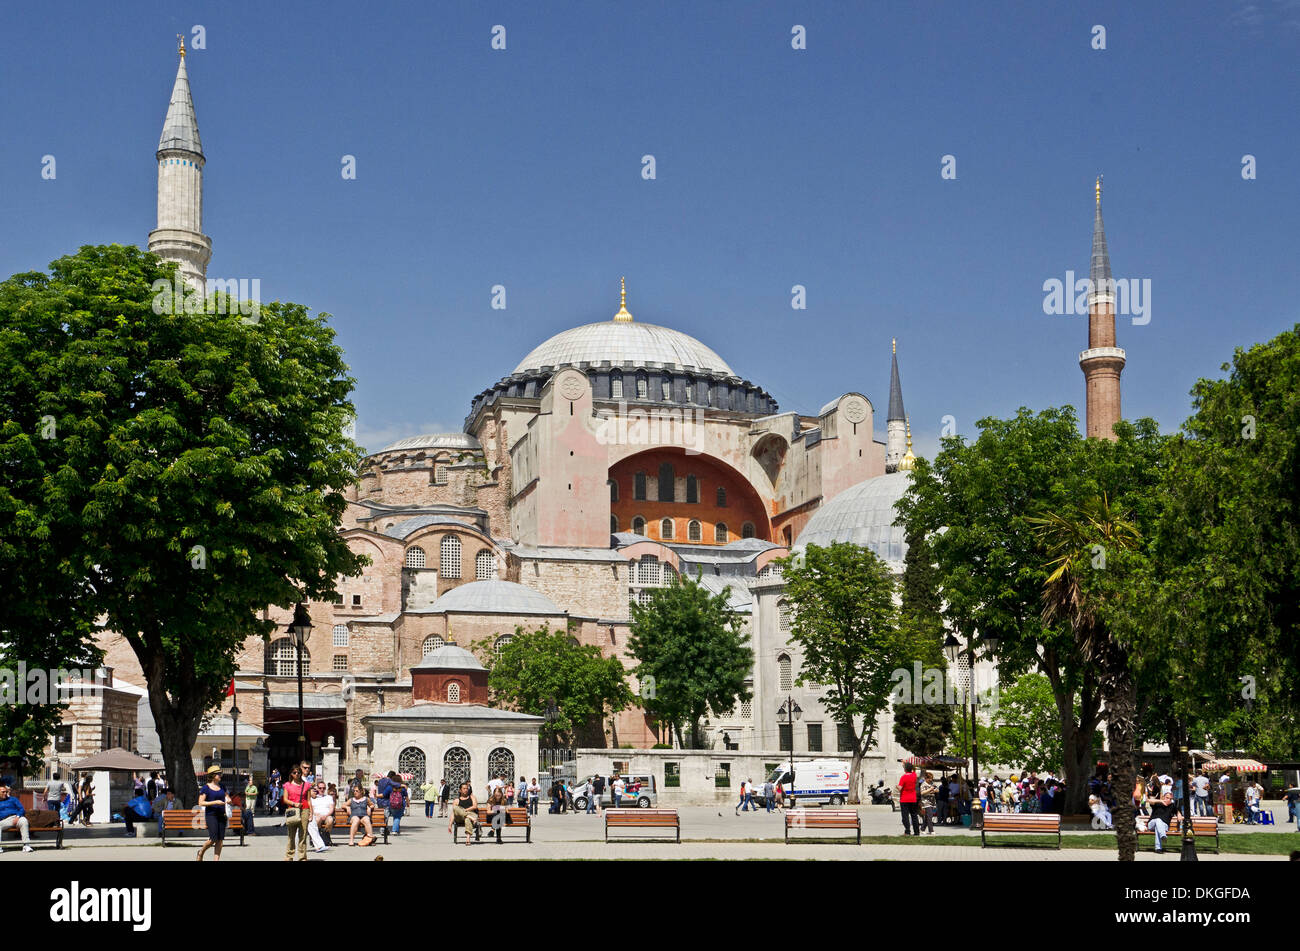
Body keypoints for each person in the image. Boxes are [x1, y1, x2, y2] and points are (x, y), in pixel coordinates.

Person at [196, 766, 228, 861]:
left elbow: (227, 796)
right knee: (213, 839)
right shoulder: (206, 788)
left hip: (222, 815)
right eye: (218, 774)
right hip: (211, 815)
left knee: (220, 840)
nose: (220, 775)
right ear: (213, 775)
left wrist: (229, 800)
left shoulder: (222, 786)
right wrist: (215, 802)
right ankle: (201, 852)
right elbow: (201, 802)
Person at [282, 764, 313, 861]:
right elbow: (285, 799)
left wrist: (311, 813)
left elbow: (308, 800)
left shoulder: (306, 785)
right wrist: (294, 804)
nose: (297, 774)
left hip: (304, 810)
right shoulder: (287, 785)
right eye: (294, 772)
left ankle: (302, 857)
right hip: (292, 810)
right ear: (291, 774)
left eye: (299, 772)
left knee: (303, 835)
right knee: (291, 835)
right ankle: (289, 855)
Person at [0, 782, 33, 852]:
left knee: (24, 821)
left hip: (16, 817)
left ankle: (26, 845)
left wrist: (18, 816)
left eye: (6, 792)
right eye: (3, 792)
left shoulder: (13, 799)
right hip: (4, 820)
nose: (5, 793)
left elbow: (21, 809)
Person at [308, 780, 334, 852]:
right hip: (316, 815)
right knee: (317, 819)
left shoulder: (329, 797)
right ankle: (318, 838)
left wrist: (326, 815)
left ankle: (325, 835)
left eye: (324, 788)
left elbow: (331, 808)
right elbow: (311, 809)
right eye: (320, 788)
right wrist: (316, 814)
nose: (322, 790)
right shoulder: (313, 798)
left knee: (330, 820)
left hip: (326, 815)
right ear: (317, 788)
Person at [897, 764, 920, 836]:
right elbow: (914, 770)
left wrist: (896, 786)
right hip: (913, 798)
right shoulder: (914, 775)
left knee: (905, 816)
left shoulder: (903, 777)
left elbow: (900, 788)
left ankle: (907, 831)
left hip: (904, 799)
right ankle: (916, 832)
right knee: (914, 815)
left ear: (905, 769)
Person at [917, 771, 937, 835]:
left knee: (927, 817)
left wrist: (934, 790)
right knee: (930, 816)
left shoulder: (932, 783)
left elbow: (937, 789)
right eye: (930, 778)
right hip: (926, 802)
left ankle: (922, 828)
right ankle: (931, 830)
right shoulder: (923, 784)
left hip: (932, 802)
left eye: (932, 778)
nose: (931, 779)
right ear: (926, 778)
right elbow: (922, 793)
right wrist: (930, 790)